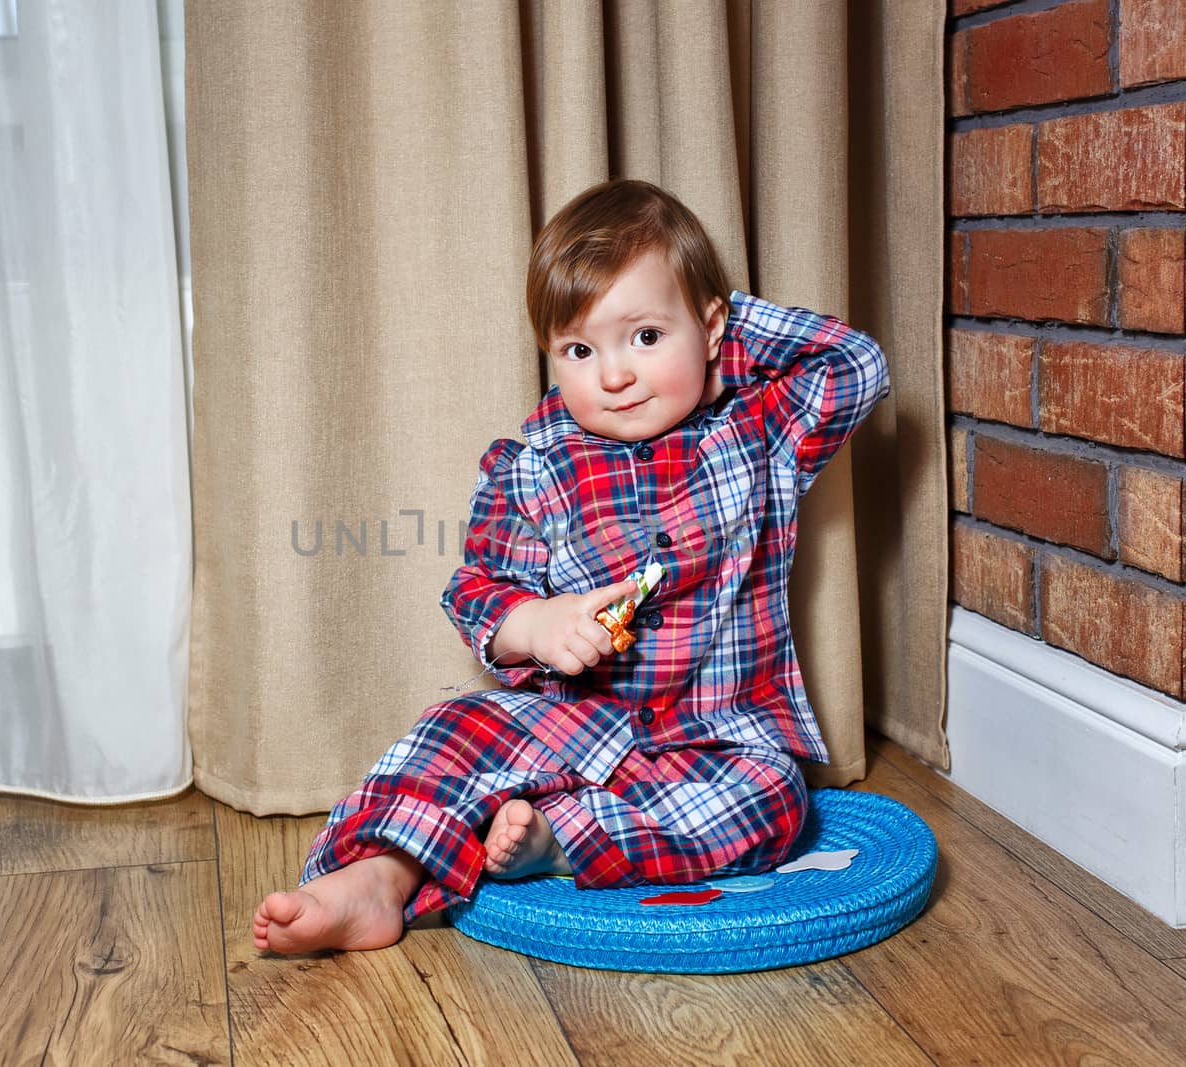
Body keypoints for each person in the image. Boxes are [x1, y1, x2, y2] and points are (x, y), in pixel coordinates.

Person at [253, 178, 891, 955]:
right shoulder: (535, 463)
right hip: (578, 727)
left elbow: (854, 364)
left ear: (711, 325)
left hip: (719, 740)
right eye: (580, 350)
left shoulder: (759, 429)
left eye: (646, 337)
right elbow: (477, 590)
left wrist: (713, 326)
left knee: (775, 803)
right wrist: (537, 623)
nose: (614, 375)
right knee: (455, 729)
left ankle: (563, 840)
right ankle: (374, 879)